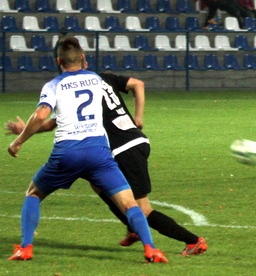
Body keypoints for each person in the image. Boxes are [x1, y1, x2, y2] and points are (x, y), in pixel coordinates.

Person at [5, 70, 207, 257]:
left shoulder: (73, 86)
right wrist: (138, 118)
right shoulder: (101, 78)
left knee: (142, 208)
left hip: (122, 148)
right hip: (136, 140)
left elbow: (49, 123)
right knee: (99, 185)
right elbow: (138, 84)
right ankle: (133, 228)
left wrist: (24, 133)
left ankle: (193, 241)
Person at [6, 37, 166, 263]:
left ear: (58, 61)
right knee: (129, 203)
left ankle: (26, 248)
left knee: (33, 193)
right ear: (82, 58)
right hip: (99, 154)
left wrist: (19, 140)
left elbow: (43, 115)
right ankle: (151, 249)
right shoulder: (95, 79)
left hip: (67, 153)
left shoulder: (54, 85)